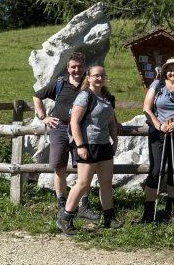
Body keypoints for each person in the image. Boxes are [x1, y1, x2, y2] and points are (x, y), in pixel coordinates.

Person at [33, 51, 99, 221]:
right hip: (60, 129)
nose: (76, 70)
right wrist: (43, 117)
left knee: (84, 169)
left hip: (83, 130)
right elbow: (37, 96)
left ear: (84, 68)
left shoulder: (89, 84)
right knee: (59, 168)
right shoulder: (59, 84)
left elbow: (104, 102)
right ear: (68, 68)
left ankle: (84, 205)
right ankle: (62, 204)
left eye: (79, 66)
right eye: (73, 67)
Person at [56, 64, 122, 235]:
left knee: (106, 182)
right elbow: (74, 122)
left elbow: (112, 121)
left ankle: (109, 217)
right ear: (89, 77)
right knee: (83, 183)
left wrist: (114, 140)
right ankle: (65, 217)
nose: (99, 78)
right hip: (88, 144)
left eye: (102, 75)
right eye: (96, 75)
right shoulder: (84, 96)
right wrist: (80, 145)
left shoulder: (107, 97)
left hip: (104, 145)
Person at [140, 57, 174, 223]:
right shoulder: (157, 86)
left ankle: (170, 209)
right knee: (156, 170)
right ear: (165, 71)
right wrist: (159, 125)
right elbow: (147, 109)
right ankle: (148, 210)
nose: (173, 72)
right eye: (170, 69)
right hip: (159, 134)